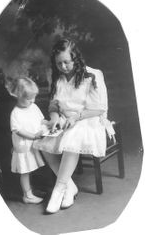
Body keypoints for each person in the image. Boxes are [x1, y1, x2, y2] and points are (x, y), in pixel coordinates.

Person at [34, 38, 115, 213]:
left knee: (73, 135)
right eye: (59, 63)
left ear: (75, 59)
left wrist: (77, 117)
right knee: (43, 142)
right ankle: (69, 187)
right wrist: (54, 117)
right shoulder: (58, 79)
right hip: (66, 120)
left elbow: (99, 108)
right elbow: (54, 105)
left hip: (88, 119)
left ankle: (58, 190)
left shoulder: (91, 75)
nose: (63, 66)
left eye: (67, 62)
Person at [9, 77, 45, 204]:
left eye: (34, 97)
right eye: (29, 99)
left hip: (33, 144)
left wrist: (48, 125)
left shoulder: (33, 107)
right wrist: (34, 136)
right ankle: (27, 195)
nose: (33, 101)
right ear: (18, 96)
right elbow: (18, 130)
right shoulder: (16, 113)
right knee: (25, 171)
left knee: (31, 167)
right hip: (23, 146)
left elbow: (41, 120)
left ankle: (31, 189)